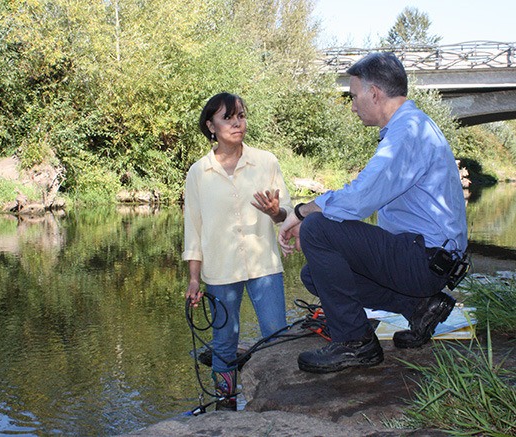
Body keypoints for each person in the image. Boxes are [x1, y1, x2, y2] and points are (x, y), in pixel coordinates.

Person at [278, 52, 468, 374]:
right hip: (429, 258)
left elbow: (361, 198)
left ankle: (356, 342)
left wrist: (301, 211)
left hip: (425, 258)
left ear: (374, 94)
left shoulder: (407, 133)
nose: (352, 106)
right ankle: (420, 307)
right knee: (315, 275)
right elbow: (364, 196)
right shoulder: (413, 126)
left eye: (354, 96)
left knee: (316, 229)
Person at [183, 92, 293, 409]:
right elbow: (194, 228)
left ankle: (279, 401)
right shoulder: (198, 173)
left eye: (241, 116)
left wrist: (275, 212)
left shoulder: (266, 162)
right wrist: (194, 279)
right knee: (223, 343)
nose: (237, 123)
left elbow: (285, 211)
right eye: (228, 118)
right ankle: (226, 406)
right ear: (211, 126)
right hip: (220, 270)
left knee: (276, 335)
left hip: (264, 266)